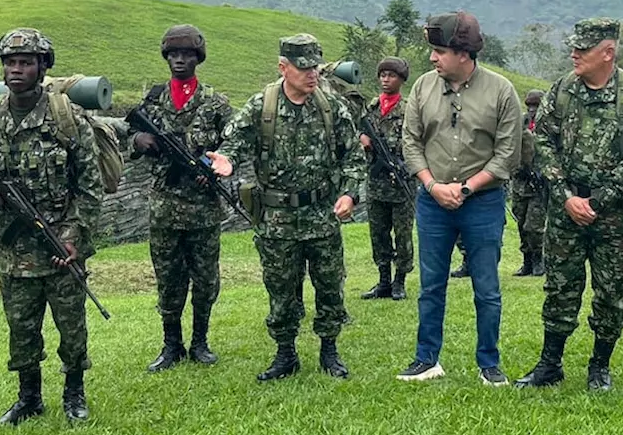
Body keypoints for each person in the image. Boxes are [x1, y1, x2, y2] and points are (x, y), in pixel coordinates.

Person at [0, 28, 103, 426]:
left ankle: (74, 392)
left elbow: (90, 187)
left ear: (43, 67)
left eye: (25, 63)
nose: (16, 70)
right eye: (10, 63)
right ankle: (29, 398)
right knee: (21, 327)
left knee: (71, 326)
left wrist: (73, 237)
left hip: (60, 246)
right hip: (14, 247)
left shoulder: (67, 118)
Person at [207, 34, 365, 381]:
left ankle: (329, 350)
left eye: (316, 68)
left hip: (321, 214)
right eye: (304, 68)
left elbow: (353, 156)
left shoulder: (331, 107)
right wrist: (227, 160)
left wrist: (350, 194)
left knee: (329, 285)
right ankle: (285, 354)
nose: (312, 75)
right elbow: (233, 143)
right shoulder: (261, 106)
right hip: (277, 219)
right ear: (283, 67)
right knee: (280, 288)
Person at [516, 18, 623, 392]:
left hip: (616, 216)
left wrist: (598, 200)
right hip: (567, 209)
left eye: (583, 48)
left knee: (612, 290)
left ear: (607, 52)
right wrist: (565, 195)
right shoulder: (562, 90)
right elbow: (541, 142)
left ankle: (600, 366)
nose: (574, 53)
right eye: (574, 46)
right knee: (560, 285)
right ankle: (550, 364)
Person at [396, 11, 521, 386]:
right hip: (432, 201)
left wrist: (467, 188)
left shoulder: (501, 91)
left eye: (439, 51)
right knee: (431, 284)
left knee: (487, 287)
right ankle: (426, 359)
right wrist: (433, 186)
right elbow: (410, 141)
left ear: (463, 54)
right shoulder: (422, 87)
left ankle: (489, 363)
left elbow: (507, 154)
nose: (433, 58)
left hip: (482, 202)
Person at [131, 25, 234, 371]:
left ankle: (200, 342)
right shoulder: (153, 100)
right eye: (173, 54)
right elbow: (127, 132)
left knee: (205, 279)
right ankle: (171, 344)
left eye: (187, 54)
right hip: (163, 207)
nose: (179, 60)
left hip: (203, 208)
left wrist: (215, 166)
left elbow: (233, 147)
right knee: (168, 279)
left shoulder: (216, 104)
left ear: (198, 58)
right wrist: (139, 141)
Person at [359, 57, 414, 301]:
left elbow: (417, 140)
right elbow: (357, 131)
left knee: (402, 235)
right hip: (376, 182)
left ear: (401, 80)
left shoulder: (409, 109)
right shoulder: (371, 108)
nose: (385, 80)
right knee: (378, 233)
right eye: (382, 75)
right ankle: (383, 280)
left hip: (401, 183)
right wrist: (362, 139)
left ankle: (399, 281)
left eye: (391, 76)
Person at [510, 89, 547, 276]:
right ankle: (527, 262)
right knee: (521, 223)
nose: (532, 110)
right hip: (520, 183)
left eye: (536, 106)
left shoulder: (548, 125)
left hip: (539, 185)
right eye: (530, 106)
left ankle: (539, 260)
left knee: (534, 226)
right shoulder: (520, 123)